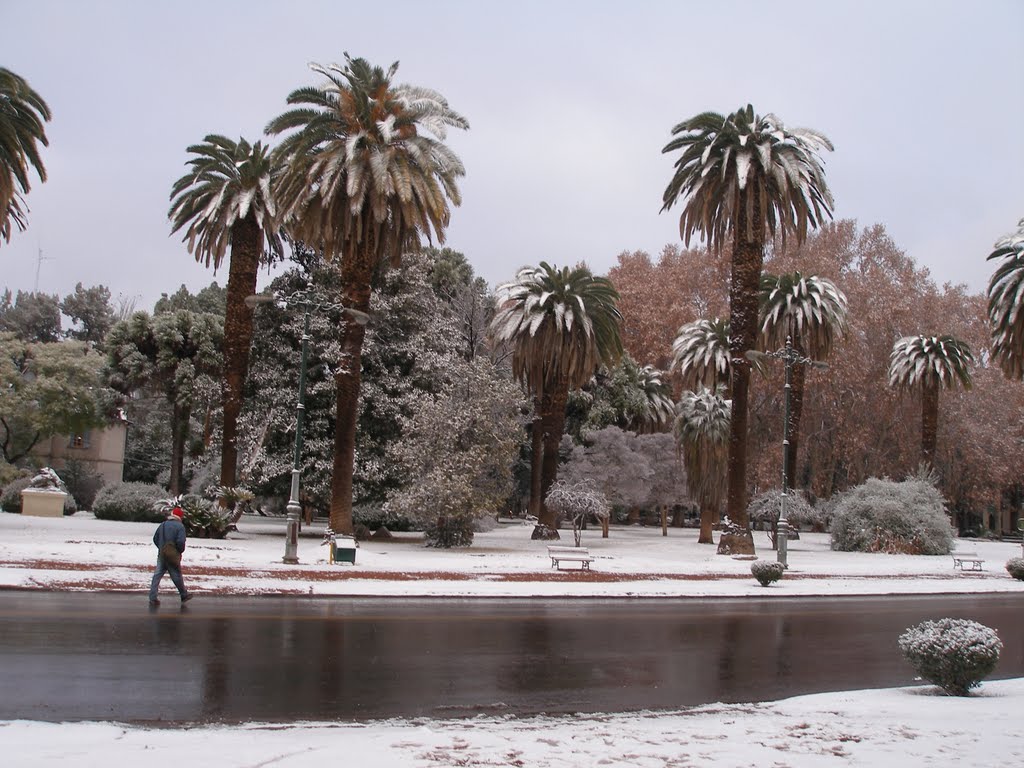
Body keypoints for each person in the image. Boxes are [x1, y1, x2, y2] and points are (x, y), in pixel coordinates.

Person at [148, 506, 192, 606]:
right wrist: (179, 551)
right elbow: (181, 542)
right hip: (172, 555)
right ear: (180, 517)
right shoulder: (180, 527)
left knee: (157, 575)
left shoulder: (163, 525)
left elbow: (155, 538)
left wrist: (161, 547)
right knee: (176, 575)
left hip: (162, 554)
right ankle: (183, 595)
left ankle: (153, 597)